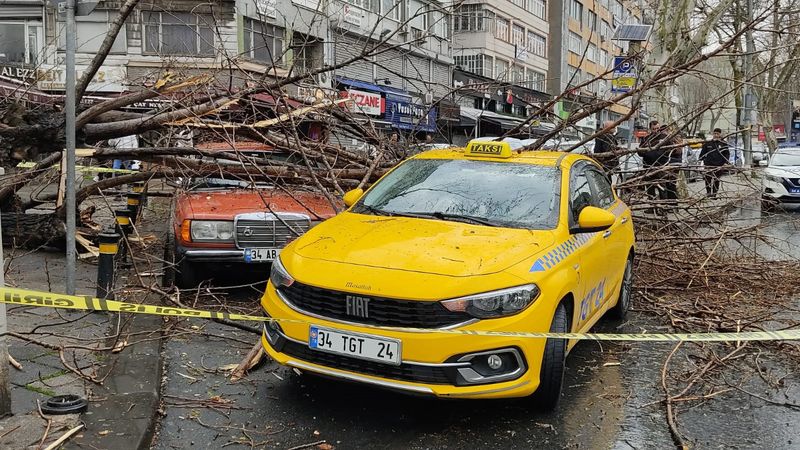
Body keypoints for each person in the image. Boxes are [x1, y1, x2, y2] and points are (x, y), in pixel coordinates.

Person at [699, 128, 730, 197]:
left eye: (717, 134)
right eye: (715, 133)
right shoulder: (708, 143)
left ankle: (714, 193)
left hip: (719, 165)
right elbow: (702, 153)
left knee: (716, 180)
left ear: (720, 134)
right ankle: (709, 192)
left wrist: (726, 162)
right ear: (713, 134)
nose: (716, 135)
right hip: (708, 165)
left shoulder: (723, 143)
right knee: (708, 179)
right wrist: (701, 160)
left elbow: (727, 154)